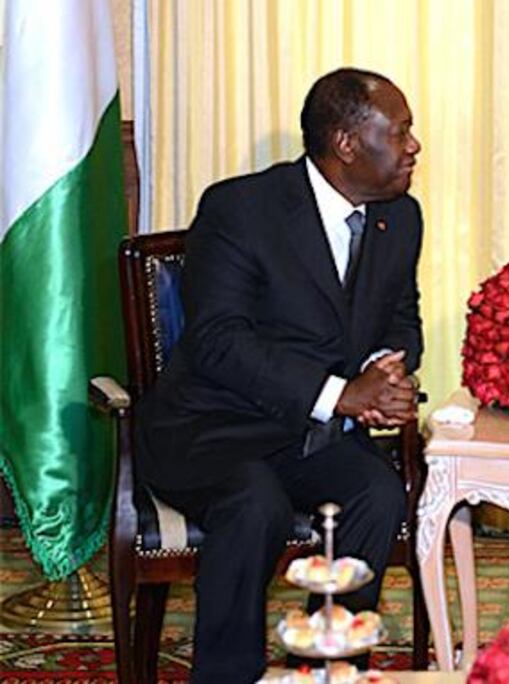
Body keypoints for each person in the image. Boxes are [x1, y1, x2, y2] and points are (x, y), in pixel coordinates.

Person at [135, 67, 424, 683]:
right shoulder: (241, 209)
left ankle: (326, 668)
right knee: (255, 504)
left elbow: (401, 318)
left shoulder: (399, 218)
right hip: (214, 427)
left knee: (378, 495)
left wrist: (383, 372)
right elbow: (218, 341)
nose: (413, 146)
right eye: (400, 132)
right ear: (347, 143)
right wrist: (342, 396)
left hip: (308, 436)